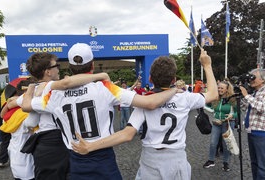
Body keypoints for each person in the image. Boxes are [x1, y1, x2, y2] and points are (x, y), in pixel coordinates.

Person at [23, 43, 181, 180]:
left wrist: (32, 88)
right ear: (92, 65)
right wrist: (173, 90)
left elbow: (27, 105)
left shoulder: (53, 95)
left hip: (76, 159)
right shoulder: (105, 87)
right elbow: (150, 103)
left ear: (70, 68)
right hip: (103, 158)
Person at [71, 49, 218, 180]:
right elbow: (213, 94)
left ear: (150, 79)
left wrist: (90, 146)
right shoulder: (186, 98)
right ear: (173, 80)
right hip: (176, 158)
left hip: (151, 160)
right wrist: (207, 65)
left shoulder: (144, 101)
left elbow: (127, 134)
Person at [20, 52, 112, 180]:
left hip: (58, 143)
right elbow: (67, 83)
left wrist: (31, 90)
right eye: (56, 65)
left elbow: (21, 104)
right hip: (53, 143)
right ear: (48, 71)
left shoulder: (42, 89)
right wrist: (101, 75)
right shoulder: (58, 90)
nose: (59, 68)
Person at [203, 80, 237, 172]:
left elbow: (238, 113)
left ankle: (226, 162)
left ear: (227, 89)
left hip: (228, 124)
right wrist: (212, 111)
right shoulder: (216, 97)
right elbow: (207, 105)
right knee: (213, 143)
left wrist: (232, 115)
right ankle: (211, 160)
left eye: (222, 88)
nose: (219, 89)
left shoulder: (232, 99)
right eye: (218, 87)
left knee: (226, 145)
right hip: (216, 123)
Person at [240, 68, 265, 180]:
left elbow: (261, 107)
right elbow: (245, 107)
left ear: (263, 79)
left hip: (261, 133)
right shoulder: (255, 93)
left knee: (262, 165)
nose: (251, 79)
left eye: (254, 77)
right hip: (252, 131)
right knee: (254, 162)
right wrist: (242, 97)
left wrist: (246, 96)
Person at [0, 96, 11, 167]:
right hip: (12, 122)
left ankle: (2, 160)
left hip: (2, 123)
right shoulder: (12, 99)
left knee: (5, 142)